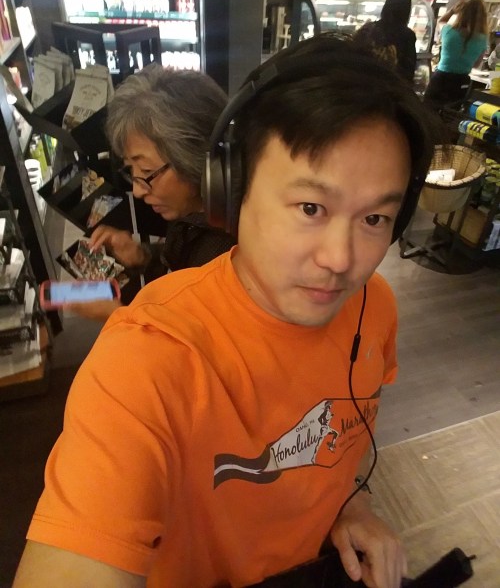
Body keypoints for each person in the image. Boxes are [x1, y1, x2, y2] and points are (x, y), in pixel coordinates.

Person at [14, 34, 439, 588]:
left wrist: (351, 503)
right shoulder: (143, 360)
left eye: (375, 219)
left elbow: (344, 440)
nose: (341, 261)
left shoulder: (373, 307)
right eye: (311, 207)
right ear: (233, 190)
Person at [68, 64, 235, 321]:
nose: (137, 191)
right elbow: (178, 267)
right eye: (131, 170)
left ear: (198, 159)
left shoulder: (228, 256)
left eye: (146, 170)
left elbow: (190, 341)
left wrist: (118, 316)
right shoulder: (193, 213)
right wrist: (142, 255)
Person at [424, 0, 488, 111]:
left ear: (462, 13)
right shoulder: (483, 39)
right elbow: (476, 64)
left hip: (441, 78)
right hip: (461, 82)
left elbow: (441, 21)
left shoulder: (449, 31)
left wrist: (453, 10)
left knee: (427, 112)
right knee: (450, 114)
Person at [353, 0, 417, 82]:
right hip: (390, 85)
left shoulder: (368, 28)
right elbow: (409, 71)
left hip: (364, 82)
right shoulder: (407, 35)